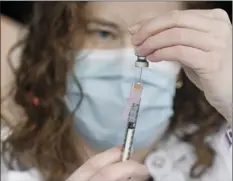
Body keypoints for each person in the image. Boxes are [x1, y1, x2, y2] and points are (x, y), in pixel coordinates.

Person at [1, 2, 232, 181]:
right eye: (103, 33)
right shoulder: (7, 165)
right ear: (59, 46)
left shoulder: (221, 157)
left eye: (159, 39)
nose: (131, 61)